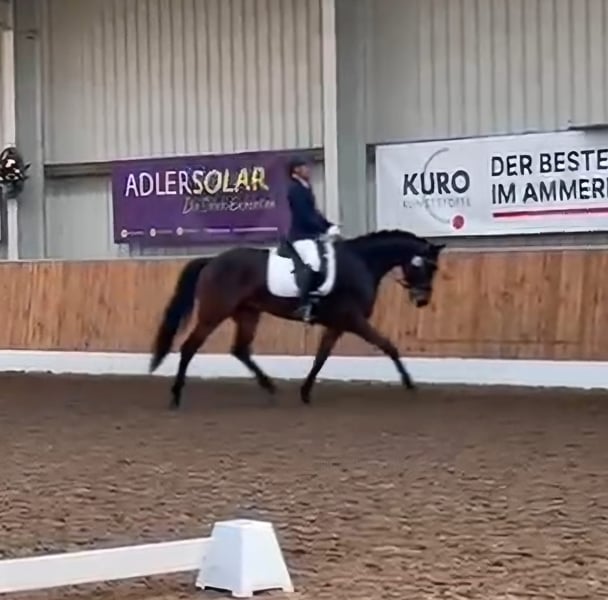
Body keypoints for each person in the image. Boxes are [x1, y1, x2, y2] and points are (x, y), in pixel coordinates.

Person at [284, 156, 339, 322]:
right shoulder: (295, 190)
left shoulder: (305, 187)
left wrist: (329, 225)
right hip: (301, 236)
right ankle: (304, 304)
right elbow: (305, 217)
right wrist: (323, 229)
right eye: (305, 166)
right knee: (314, 262)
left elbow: (314, 213)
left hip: (311, 235)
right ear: (296, 170)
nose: (308, 170)